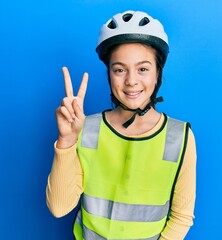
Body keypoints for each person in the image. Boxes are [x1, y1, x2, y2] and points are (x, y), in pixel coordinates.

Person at [46, 10, 197, 240]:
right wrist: (66, 141)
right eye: (119, 69)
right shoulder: (86, 129)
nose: (131, 80)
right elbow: (59, 208)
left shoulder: (179, 137)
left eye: (143, 69)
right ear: (109, 75)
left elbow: (182, 217)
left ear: (157, 74)